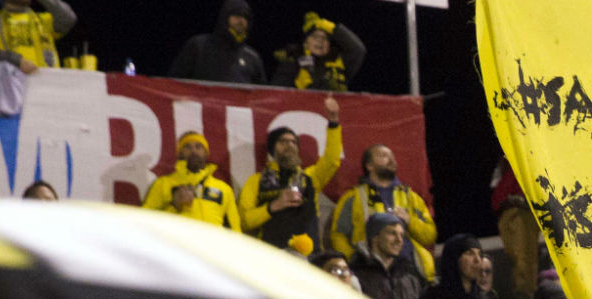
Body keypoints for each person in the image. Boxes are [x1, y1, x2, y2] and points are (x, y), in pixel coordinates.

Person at [238, 95, 346, 250]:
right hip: (272, 257)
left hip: (308, 257)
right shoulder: (256, 181)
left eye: (293, 142)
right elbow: (244, 221)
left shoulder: (310, 178)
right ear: (272, 149)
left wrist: (334, 123)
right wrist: (273, 206)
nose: (289, 145)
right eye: (283, 142)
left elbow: (332, 160)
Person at [329, 142, 438, 277]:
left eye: (392, 156)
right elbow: (338, 234)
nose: (391, 160)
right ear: (369, 166)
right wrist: (355, 261)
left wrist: (410, 220)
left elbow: (430, 235)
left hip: (410, 271)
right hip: (371, 274)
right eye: (383, 156)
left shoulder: (411, 197)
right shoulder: (353, 197)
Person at [141, 130, 242, 231]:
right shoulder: (163, 183)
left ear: (206, 153)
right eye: (187, 147)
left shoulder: (224, 189)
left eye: (198, 147)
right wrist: (173, 205)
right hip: (177, 244)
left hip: (212, 246)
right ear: (179, 153)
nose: (193, 151)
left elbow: (235, 228)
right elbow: (145, 219)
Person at [170, 0, 267, 82]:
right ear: (224, 17)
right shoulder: (199, 46)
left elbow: (261, 95)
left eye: (246, 17)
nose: (241, 20)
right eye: (236, 15)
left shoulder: (252, 57)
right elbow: (175, 81)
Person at [272, 10, 366, 91]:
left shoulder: (339, 63)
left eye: (325, 38)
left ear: (329, 45)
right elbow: (276, 94)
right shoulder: (292, 63)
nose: (320, 40)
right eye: (315, 36)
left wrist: (332, 27)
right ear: (305, 43)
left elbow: (358, 50)